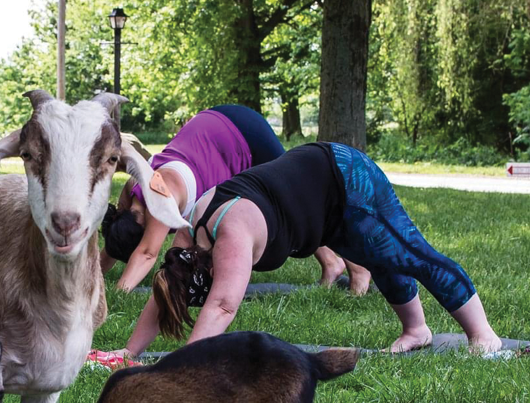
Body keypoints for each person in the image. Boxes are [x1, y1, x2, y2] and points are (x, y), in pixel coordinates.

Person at [101, 142, 503, 359]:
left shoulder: (230, 235)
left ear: (204, 273)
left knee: (407, 253)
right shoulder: (187, 238)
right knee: (380, 258)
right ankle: (417, 330)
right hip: (319, 206)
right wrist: (129, 351)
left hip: (344, 179)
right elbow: (165, 288)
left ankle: (484, 335)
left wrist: (186, 366)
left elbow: (222, 306)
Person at [101, 104, 371, 294]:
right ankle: (331, 263)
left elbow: (147, 253)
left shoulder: (160, 198)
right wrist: (95, 276)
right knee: (289, 205)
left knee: (300, 200)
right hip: (211, 128)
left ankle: (358, 270)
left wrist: (117, 293)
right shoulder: (132, 189)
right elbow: (117, 239)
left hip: (240, 133)